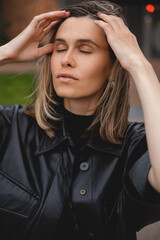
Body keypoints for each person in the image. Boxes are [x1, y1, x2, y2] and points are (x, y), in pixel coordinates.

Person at [0, 1, 160, 239]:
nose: (67, 60)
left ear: (114, 67)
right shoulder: (12, 126)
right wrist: (6, 53)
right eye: (60, 48)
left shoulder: (133, 146)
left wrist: (140, 65)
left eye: (85, 50)